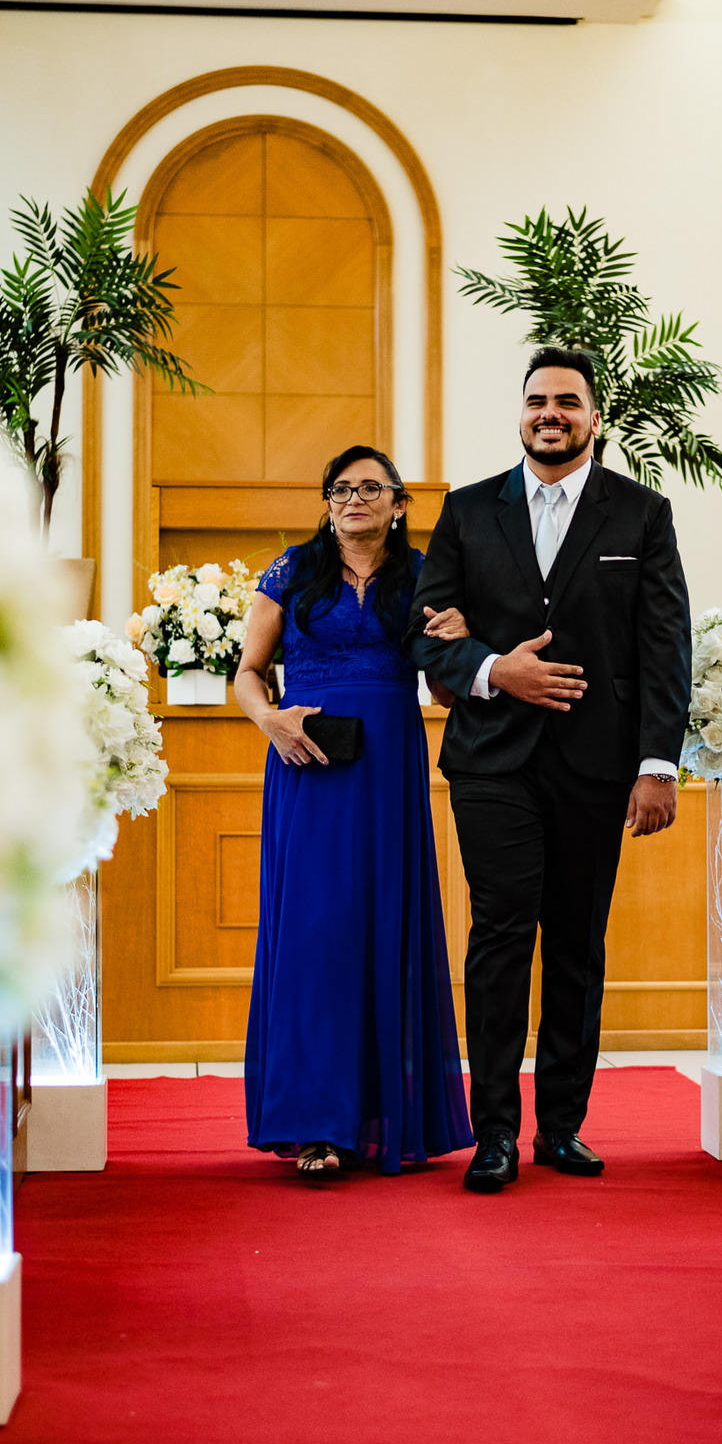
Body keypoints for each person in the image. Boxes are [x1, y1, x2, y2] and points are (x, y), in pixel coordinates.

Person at [407, 346, 692, 1194]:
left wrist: (657, 764)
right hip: (492, 762)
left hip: (599, 764)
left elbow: (663, 644)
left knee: (576, 944)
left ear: (594, 416)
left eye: (568, 401)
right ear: (520, 411)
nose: (550, 413)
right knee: (499, 937)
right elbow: (425, 637)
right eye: (537, 400)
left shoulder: (641, 514)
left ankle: (562, 1127)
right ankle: (493, 1131)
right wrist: (497, 670)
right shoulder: (466, 512)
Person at [234, 445, 473, 1177]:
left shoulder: (425, 575)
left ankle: (386, 1114)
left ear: (399, 503)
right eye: (342, 488)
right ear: (327, 500)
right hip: (308, 769)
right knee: (313, 935)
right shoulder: (291, 569)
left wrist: (461, 645)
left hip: (390, 773)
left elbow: (444, 696)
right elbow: (245, 673)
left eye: (371, 488)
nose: (354, 500)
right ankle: (314, 1122)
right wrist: (270, 721)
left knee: (383, 927)